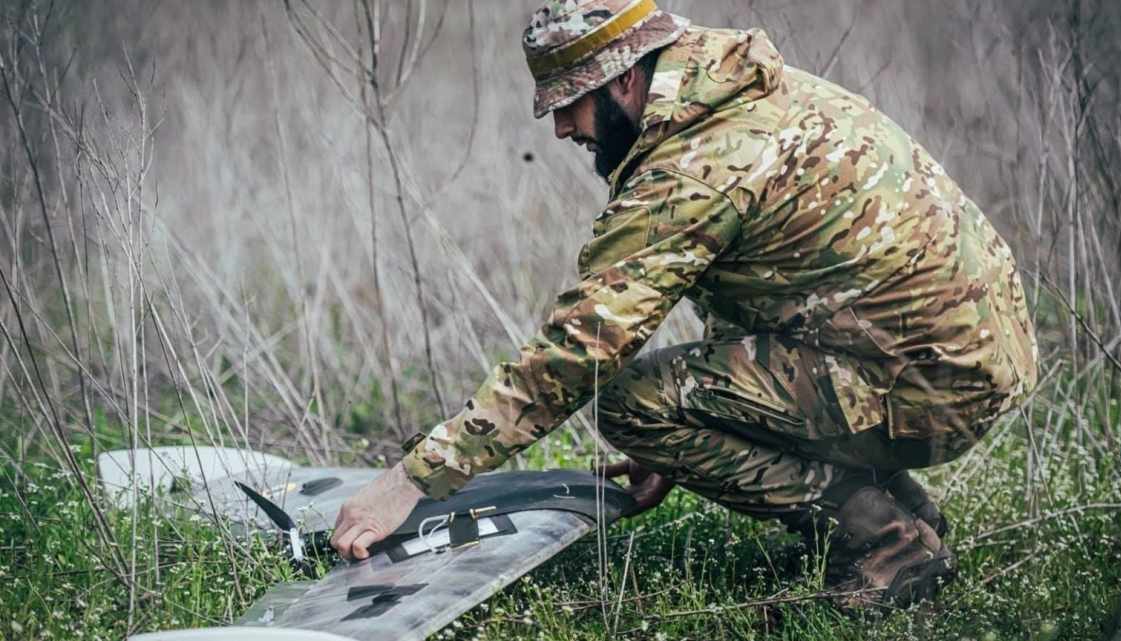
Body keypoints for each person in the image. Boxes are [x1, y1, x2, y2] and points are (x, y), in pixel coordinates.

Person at [331, 0, 1038, 607]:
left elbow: (579, 349)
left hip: (931, 384)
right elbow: (770, 292)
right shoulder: (746, 95)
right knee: (671, 393)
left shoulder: (694, 166)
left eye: (570, 101)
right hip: (959, 358)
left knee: (629, 402)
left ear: (625, 79)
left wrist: (415, 478)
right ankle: (905, 509)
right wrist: (704, 429)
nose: (561, 130)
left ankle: (885, 540)